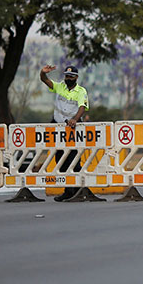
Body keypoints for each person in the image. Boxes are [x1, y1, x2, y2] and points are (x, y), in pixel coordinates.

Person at [39, 64, 89, 201]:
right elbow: (45, 80)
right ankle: (68, 190)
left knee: (73, 158)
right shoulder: (60, 86)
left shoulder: (81, 91)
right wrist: (43, 73)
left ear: (76, 78)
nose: (68, 78)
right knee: (60, 160)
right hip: (58, 127)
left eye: (71, 77)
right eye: (67, 76)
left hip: (73, 129)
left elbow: (82, 107)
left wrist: (75, 119)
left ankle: (79, 190)